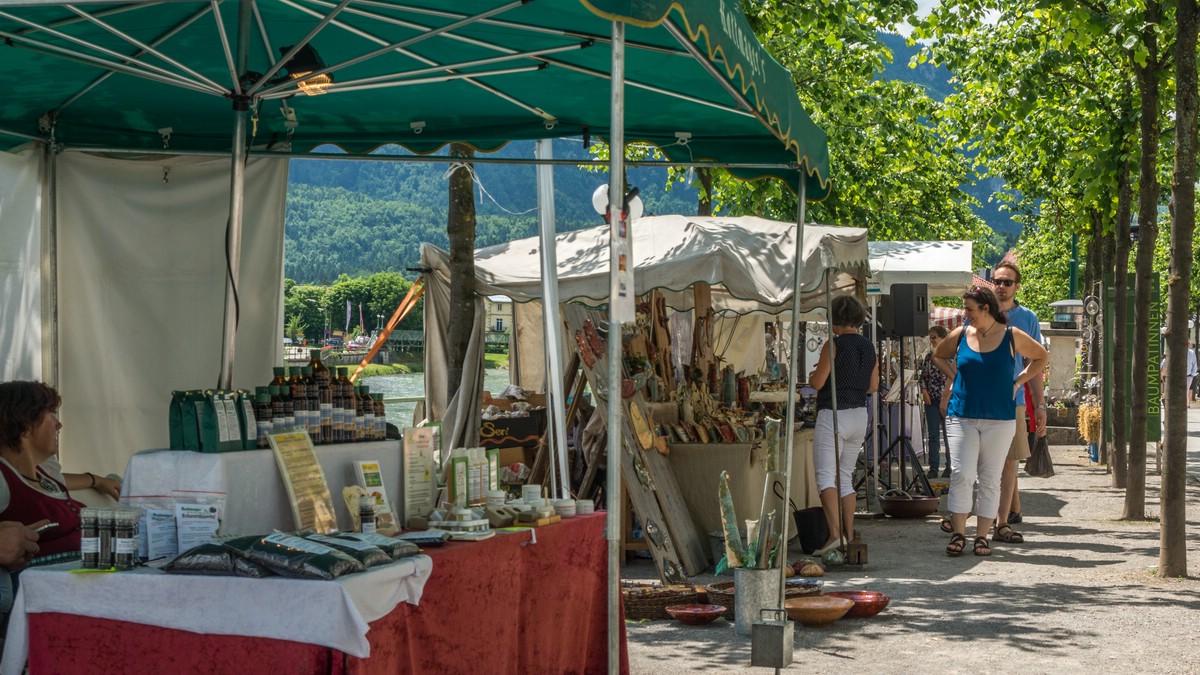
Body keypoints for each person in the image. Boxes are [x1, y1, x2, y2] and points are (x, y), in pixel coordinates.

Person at [934, 286, 1048, 556]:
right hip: (962, 414)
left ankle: (982, 536)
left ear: (986, 308)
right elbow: (939, 354)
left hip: (999, 418)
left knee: (990, 478)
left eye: (970, 309)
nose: (966, 314)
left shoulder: (1011, 335)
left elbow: (1042, 356)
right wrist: (954, 377)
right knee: (962, 474)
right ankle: (960, 533)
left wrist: (1018, 382)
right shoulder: (962, 333)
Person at [0, 381, 121, 565]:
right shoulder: (3, 478)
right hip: (47, 584)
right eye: (51, 416)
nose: (59, 425)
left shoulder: (43, 473)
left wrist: (96, 481)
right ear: (26, 425)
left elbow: (58, 481)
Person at [808, 295, 878, 556]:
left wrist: (814, 374)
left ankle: (834, 535)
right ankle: (849, 534)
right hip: (860, 414)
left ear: (835, 320)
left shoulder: (833, 345)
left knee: (825, 476)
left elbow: (817, 383)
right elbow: (873, 386)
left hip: (834, 413)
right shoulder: (868, 346)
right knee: (845, 475)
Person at [988, 261, 1045, 540]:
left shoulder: (1027, 318)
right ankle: (985, 516)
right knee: (983, 462)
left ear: (1016, 286)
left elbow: (1038, 363)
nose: (1000, 286)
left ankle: (1002, 522)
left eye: (1006, 282)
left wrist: (1040, 403)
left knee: (1009, 461)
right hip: (981, 397)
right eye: (996, 281)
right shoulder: (979, 312)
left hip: (1013, 399)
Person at [919, 325, 950, 478]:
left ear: (943, 337)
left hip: (948, 399)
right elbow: (923, 376)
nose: (931, 340)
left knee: (948, 434)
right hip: (931, 399)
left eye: (934, 337)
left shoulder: (950, 355)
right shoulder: (928, 357)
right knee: (932, 436)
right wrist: (924, 391)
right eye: (930, 337)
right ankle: (933, 467)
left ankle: (950, 466)